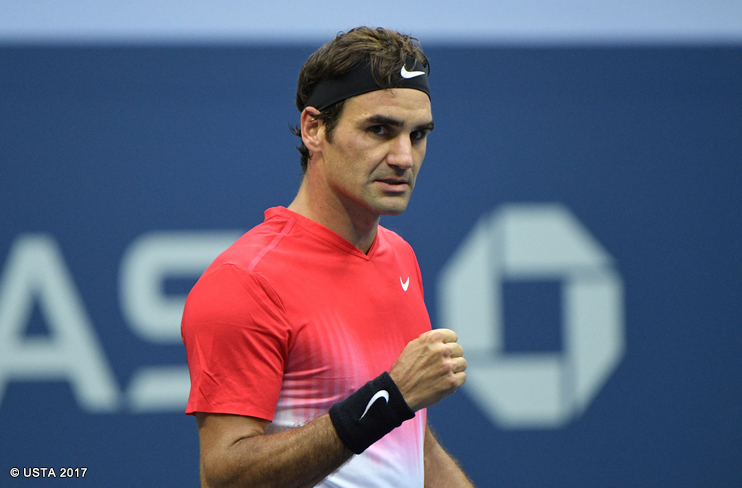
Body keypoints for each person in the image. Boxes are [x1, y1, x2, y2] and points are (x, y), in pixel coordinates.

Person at [181, 26, 474, 488]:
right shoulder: (246, 280)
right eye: (379, 130)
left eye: (418, 135)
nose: (404, 157)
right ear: (314, 129)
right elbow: (226, 477)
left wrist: (394, 402)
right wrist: (390, 397)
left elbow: (411, 441)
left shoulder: (399, 256)